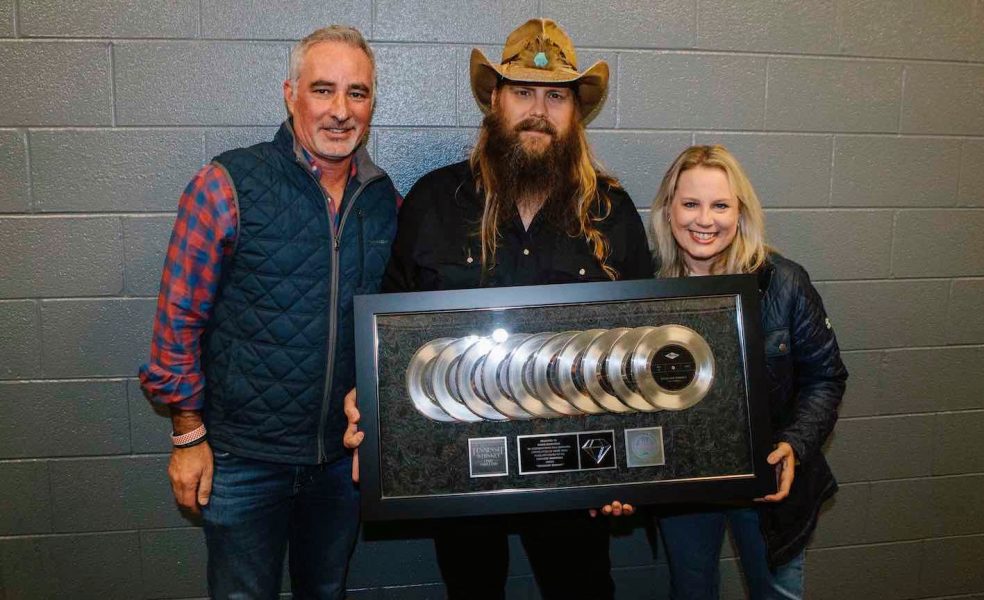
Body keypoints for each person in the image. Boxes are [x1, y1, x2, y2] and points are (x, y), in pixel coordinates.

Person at [344, 18, 653, 600]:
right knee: (472, 589)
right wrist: (374, 406)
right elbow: (390, 333)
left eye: (556, 95)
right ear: (494, 100)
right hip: (458, 467)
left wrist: (631, 465)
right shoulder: (434, 202)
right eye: (523, 91)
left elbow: (638, 348)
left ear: (575, 112)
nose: (539, 109)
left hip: (575, 472)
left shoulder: (612, 214)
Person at [138, 25, 398, 599]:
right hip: (241, 460)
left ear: (372, 103)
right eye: (323, 90)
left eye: (357, 93)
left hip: (340, 463)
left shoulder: (385, 202)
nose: (340, 111)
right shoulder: (226, 185)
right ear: (290, 93)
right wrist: (187, 435)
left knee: (325, 590)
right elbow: (176, 322)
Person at [644, 145, 848, 599]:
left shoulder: (785, 282)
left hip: (770, 484)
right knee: (692, 591)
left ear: (740, 213)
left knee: (776, 592)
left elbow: (826, 377)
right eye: (691, 203)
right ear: (668, 210)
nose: (705, 220)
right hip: (687, 484)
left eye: (720, 205)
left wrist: (793, 445)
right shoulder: (647, 290)